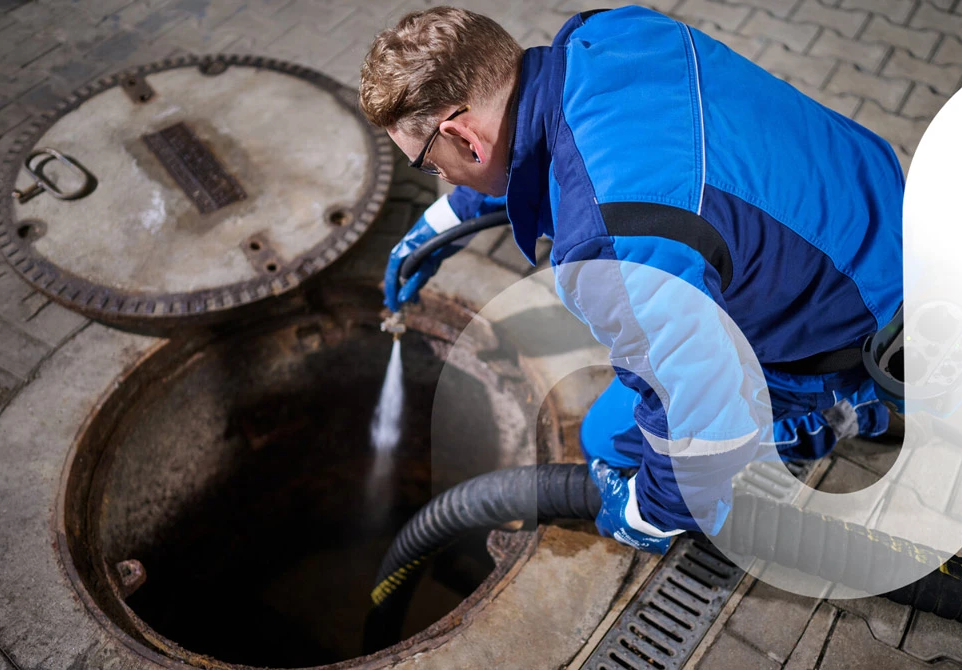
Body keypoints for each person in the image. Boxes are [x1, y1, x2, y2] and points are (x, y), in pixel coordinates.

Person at [359, 6, 903, 554]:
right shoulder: (609, 32)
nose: (439, 177)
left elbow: (703, 409)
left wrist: (653, 513)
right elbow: (549, 148)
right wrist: (446, 219)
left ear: (463, 138)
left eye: (428, 165)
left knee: (608, 442)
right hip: (878, 206)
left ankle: (841, 409)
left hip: (848, 316)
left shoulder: (609, 248)